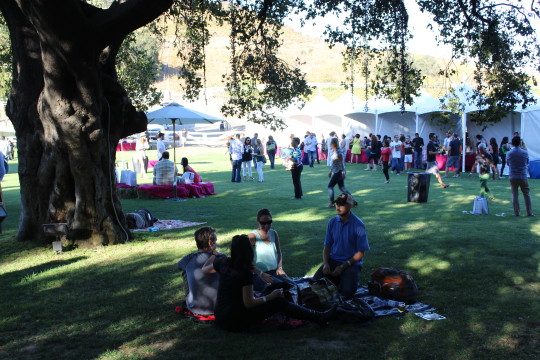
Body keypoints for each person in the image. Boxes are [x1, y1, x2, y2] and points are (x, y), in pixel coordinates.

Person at [202, 234, 336, 331]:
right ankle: (318, 317)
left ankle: (317, 316)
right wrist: (269, 297)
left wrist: (214, 254)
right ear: (248, 252)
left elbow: (205, 269)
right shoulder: (245, 274)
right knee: (278, 302)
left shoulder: (223, 262)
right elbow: (249, 303)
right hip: (235, 320)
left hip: (220, 316)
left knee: (268, 293)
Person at [313, 193, 370, 299]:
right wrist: (326, 264)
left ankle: (342, 279)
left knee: (347, 293)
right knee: (314, 284)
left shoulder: (358, 225)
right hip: (333, 260)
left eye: (342, 204)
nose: (338, 207)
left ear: (350, 205)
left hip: (351, 263)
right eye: (337, 204)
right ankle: (338, 279)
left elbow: (361, 253)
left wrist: (343, 266)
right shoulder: (332, 222)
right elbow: (327, 247)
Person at [177, 227, 221, 316]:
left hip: (195, 308)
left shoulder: (188, 259)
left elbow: (179, 266)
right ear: (210, 243)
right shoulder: (221, 257)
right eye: (215, 240)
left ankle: (194, 298)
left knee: (186, 272)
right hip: (220, 306)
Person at [248, 208, 290, 291]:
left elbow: (278, 252)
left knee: (291, 285)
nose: (266, 226)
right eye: (263, 223)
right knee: (280, 287)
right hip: (259, 274)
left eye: (269, 222)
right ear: (257, 221)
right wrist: (260, 273)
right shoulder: (253, 236)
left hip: (274, 271)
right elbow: (246, 261)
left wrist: (279, 267)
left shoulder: (273, 233)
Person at [506, 136, 534, 216]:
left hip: (513, 176)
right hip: (523, 175)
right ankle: (529, 212)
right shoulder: (525, 153)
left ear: (512, 143)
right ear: (520, 143)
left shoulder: (509, 153)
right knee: (526, 194)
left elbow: (508, 164)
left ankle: (516, 212)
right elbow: (527, 163)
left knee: (515, 194)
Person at [327, 138, 351, 208]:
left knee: (330, 186)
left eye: (331, 143)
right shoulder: (333, 151)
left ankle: (332, 203)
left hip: (339, 171)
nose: (330, 144)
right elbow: (334, 163)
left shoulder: (338, 152)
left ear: (334, 144)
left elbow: (341, 163)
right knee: (341, 187)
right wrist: (330, 171)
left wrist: (343, 172)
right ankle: (352, 200)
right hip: (336, 171)